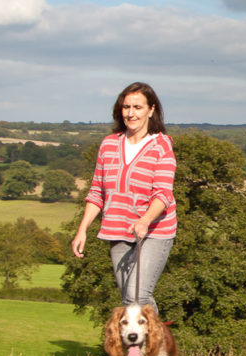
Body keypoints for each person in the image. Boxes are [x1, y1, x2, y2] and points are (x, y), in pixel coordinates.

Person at [71, 82, 177, 314]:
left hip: (154, 231)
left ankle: (147, 347)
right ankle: (155, 344)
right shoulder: (109, 145)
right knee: (130, 299)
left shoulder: (161, 146)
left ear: (151, 110)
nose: (131, 113)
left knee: (137, 296)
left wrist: (145, 220)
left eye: (138, 107)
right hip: (117, 229)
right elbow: (97, 192)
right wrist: (82, 230)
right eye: (126, 107)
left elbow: (163, 194)